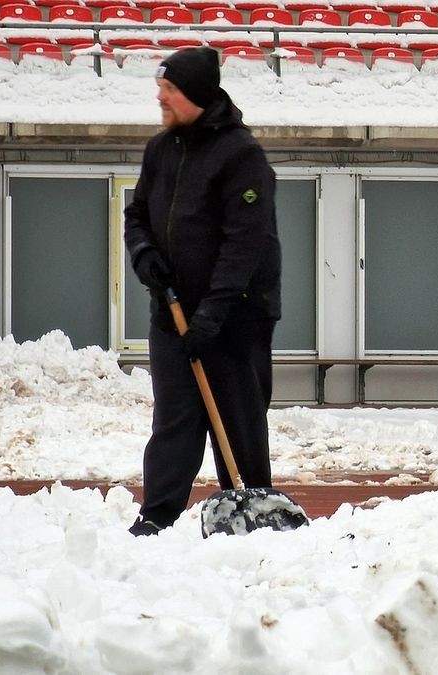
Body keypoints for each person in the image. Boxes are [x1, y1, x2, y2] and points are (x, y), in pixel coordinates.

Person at [123, 47, 281, 536]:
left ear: (193, 94)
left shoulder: (241, 157)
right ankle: (156, 516)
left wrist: (213, 315)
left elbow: (245, 244)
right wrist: (145, 254)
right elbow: (137, 215)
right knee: (174, 419)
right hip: (171, 310)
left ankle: (254, 509)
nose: (160, 97)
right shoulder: (161, 150)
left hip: (236, 316)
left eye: (169, 90)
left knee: (238, 421)